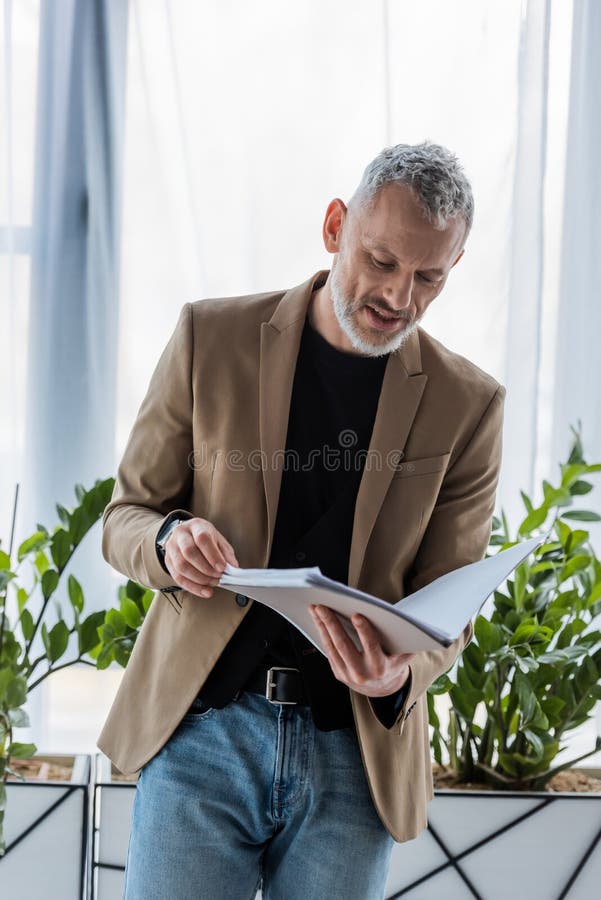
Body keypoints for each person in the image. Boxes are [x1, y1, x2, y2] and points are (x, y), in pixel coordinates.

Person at [98, 141, 506, 900]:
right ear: (333, 226)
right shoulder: (208, 339)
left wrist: (400, 672)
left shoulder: (468, 402)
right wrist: (167, 540)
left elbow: (452, 601)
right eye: (381, 261)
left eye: (429, 277)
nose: (399, 296)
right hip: (199, 734)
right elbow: (125, 515)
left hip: (354, 755)